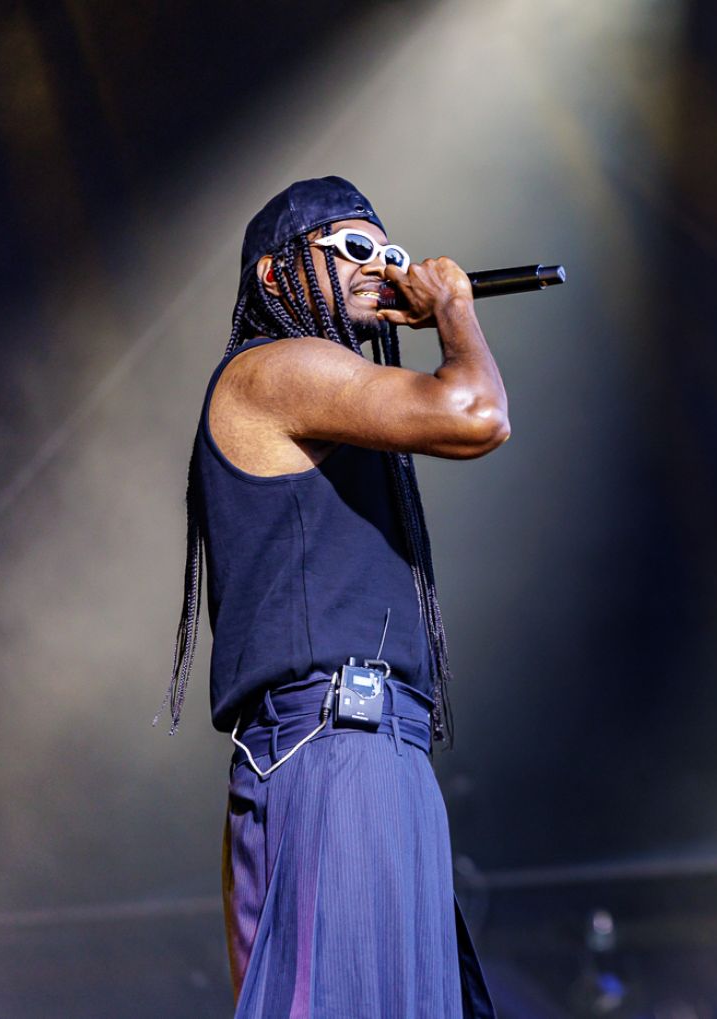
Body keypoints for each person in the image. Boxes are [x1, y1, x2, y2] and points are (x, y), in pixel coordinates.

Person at [159, 176, 506, 1017]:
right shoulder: (275, 368)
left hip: (363, 747)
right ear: (276, 278)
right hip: (335, 744)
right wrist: (455, 307)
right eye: (352, 249)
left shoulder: (325, 396)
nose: (379, 268)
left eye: (386, 254)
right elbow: (476, 412)